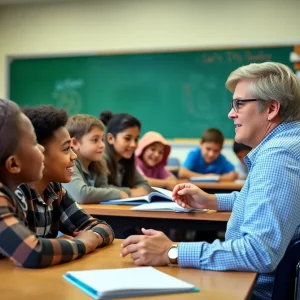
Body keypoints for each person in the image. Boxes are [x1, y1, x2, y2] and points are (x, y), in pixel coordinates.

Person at [120, 62, 300, 300]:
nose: (231, 113)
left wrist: (172, 251)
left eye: (239, 103)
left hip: (250, 289)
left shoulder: (278, 157)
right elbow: (263, 200)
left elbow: (258, 253)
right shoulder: (287, 146)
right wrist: (212, 200)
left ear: (271, 108)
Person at [18, 105, 114, 265]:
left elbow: (101, 227)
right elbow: (27, 251)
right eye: (66, 149)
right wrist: (78, 244)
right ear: (39, 153)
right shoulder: (18, 193)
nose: (74, 155)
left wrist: (93, 237)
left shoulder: (54, 190)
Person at [63, 114, 128, 203]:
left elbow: (103, 189)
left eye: (102, 139)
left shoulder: (98, 162)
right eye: (95, 140)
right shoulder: (68, 163)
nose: (102, 145)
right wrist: (119, 194)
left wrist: (127, 192)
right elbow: (81, 195)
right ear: (75, 143)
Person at [99, 110, 151, 197]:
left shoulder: (126, 160)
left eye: (136, 139)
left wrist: (132, 191)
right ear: (110, 138)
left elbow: (145, 186)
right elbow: (101, 189)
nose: (133, 144)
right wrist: (130, 192)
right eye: (127, 138)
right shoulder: (100, 159)